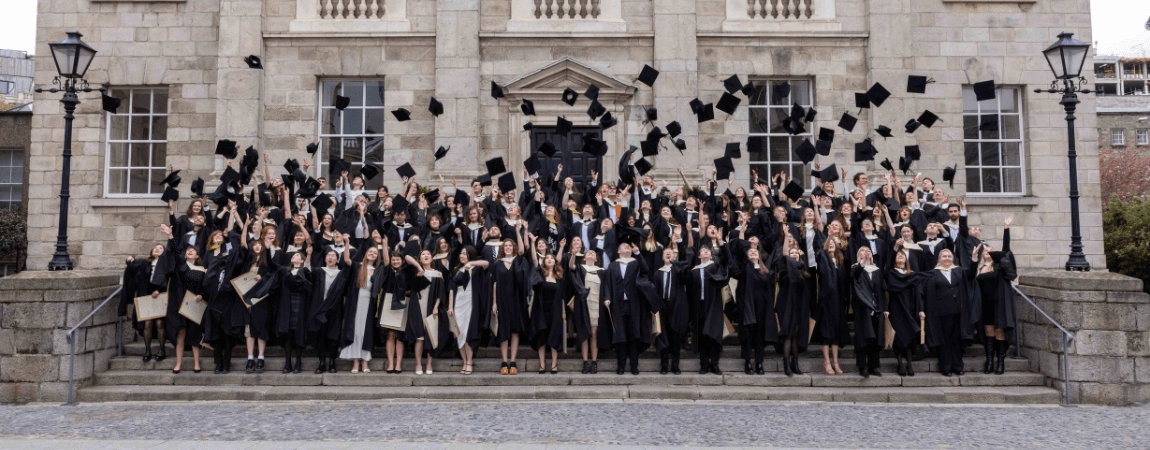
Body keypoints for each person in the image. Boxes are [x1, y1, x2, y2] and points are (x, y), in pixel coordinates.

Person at [920, 248, 979, 376]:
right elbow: (926, 293)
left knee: (957, 339)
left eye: (949, 256)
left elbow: (971, 275)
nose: (947, 258)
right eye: (944, 256)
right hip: (942, 312)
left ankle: (958, 366)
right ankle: (945, 367)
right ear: (939, 259)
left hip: (959, 311)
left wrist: (974, 259)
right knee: (945, 340)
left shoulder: (959, 271)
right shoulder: (932, 274)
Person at [602, 241, 652, 375]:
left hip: (634, 304)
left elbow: (646, 269)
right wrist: (607, 297)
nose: (627, 248)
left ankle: (634, 365)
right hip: (618, 305)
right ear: (618, 251)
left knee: (634, 335)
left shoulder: (636, 263)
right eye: (624, 246)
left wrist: (637, 253)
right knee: (620, 335)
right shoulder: (612, 266)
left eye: (629, 247)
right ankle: (621, 365)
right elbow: (607, 283)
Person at [976, 214, 1016, 375]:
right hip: (984, 304)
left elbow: (1006, 251)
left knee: (999, 332)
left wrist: (1006, 229)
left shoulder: (999, 267)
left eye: (991, 250)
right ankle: (990, 361)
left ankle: (1001, 362)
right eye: (986, 251)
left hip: (998, 303)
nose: (989, 253)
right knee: (988, 332)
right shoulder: (979, 269)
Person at [686, 245, 729, 375]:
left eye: (708, 251)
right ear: (699, 256)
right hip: (699, 306)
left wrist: (722, 243)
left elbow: (725, 259)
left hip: (714, 305)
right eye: (703, 251)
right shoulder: (694, 271)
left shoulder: (714, 267)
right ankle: (704, 363)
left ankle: (715, 364)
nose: (705, 252)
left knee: (714, 335)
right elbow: (690, 292)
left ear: (711, 255)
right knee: (702, 335)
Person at [492, 226, 528, 375]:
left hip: (515, 299)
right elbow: (494, 283)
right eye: (505, 245)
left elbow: (521, 250)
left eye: (510, 245)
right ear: (502, 248)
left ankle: (512, 360)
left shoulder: (518, 261)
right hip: (501, 300)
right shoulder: (498, 264)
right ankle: (504, 360)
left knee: (514, 331)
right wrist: (494, 302)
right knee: (503, 331)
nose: (507, 247)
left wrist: (518, 233)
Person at [528, 238, 566, 374]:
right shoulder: (539, 274)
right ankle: (542, 363)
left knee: (554, 336)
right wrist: (532, 243)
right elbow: (533, 259)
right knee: (542, 337)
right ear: (544, 261)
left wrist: (563, 313)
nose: (549, 260)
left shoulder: (559, 277)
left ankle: (554, 364)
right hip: (541, 309)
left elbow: (562, 297)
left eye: (552, 258)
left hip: (555, 310)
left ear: (555, 262)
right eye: (547, 258)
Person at [448, 246, 488, 375]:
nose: (462, 255)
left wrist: (471, 263)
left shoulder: (475, 268)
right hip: (458, 303)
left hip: (471, 303)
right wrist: (450, 306)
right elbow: (451, 289)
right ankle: (464, 362)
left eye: (465, 253)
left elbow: (487, 263)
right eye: (461, 253)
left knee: (468, 333)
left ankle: (469, 362)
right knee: (459, 333)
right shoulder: (456, 270)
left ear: (470, 255)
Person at [887, 250, 926, 376]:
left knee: (910, 336)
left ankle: (909, 363)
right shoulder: (891, 273)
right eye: (898, 255)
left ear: (906, 260)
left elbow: (919, 293)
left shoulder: (912, 274)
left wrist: (920, 309)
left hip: (911, 307)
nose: (900, 256)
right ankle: (900, 364)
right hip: (896, 308)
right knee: (898, 336)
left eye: (902, 255)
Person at [851, 247, 886, 378]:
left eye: (868, 251)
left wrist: (885, 308)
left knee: (876, 338)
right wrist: (863, 262)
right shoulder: (856, 268)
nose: (866, 252)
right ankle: (862, 366)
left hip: (877, 307)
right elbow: (855, 275)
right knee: (862, 337)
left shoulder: (877, 270)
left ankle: (873, 366)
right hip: (862, 308)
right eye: (862, 251)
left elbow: (881, 291)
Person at [569, 248, 605, 374]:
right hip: (584, 305)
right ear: (584, 258)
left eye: (593, 253)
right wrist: (573, 254)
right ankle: (585, 362)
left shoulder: (601, 272)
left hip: (596, 305)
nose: (590, 253)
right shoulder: (580, 268)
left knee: (594, 334)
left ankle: (594, 362)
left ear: (596, 258)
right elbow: (571, 266)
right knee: (584, 334)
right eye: (588, 253)